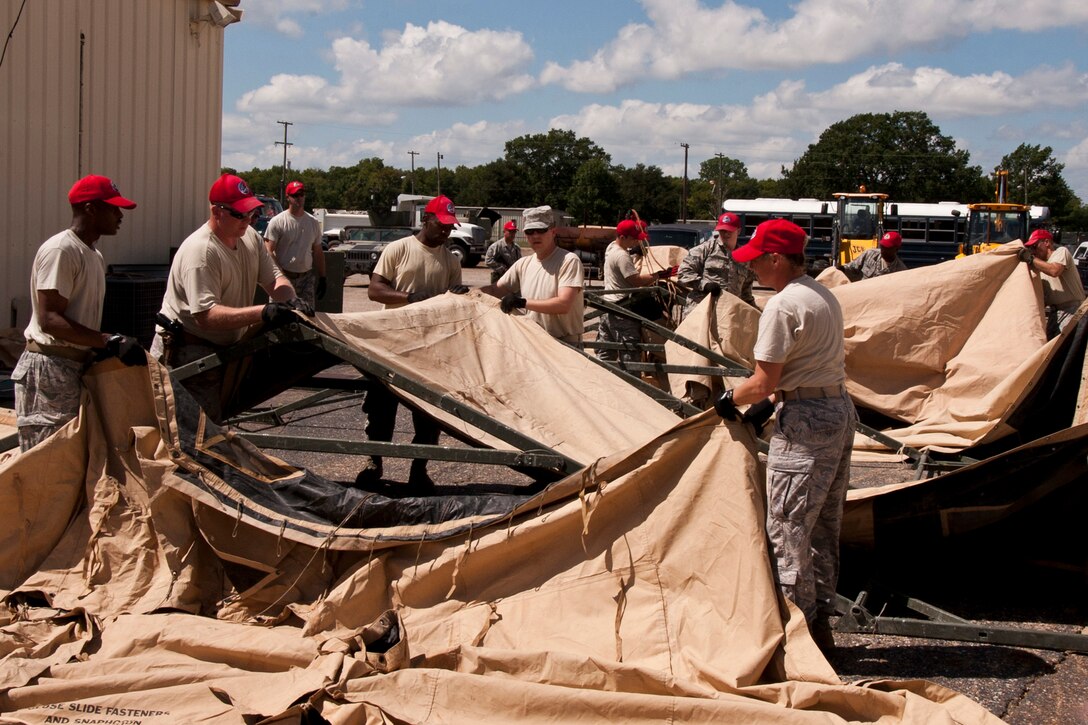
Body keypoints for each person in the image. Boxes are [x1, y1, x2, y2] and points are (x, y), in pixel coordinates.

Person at [713, 218, 856, 654]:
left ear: (777, 258)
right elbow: (803, 365)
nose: (752, 268)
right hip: (836, 409)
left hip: (806, 422)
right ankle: (821, 630)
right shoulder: (821, 294)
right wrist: (768, 403)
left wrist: (727, 400)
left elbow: (761, 380)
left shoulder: (781, 306)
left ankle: (797, 642)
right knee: (821, 529)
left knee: (787, 530)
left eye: (757, 260)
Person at [151, 173, 307, 422]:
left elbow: (274, 278)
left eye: (252, 214)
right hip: (188, 352)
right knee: (197, 434)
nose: (247, 220)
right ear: (217, 211)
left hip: (223, 348)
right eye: (239, 214)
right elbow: (206, 316)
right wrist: (264, 312)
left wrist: (290, 299)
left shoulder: (250, 238)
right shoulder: (201, 252)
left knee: (214, 428)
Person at [12, 175, 145, 451]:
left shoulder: (93, 254)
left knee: (74, 458)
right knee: (48, 459)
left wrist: (103, 346)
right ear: (90, 208)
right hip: (50, 367)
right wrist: (107, 340)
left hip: (75, 364)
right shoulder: (62, 249)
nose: (119, 215)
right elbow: (50, 320)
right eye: (113, 208)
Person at [358, 195, 470, 489]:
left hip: (430, 348)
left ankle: (419, 469)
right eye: (441, 224)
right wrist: (409, 297)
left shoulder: (450, 260)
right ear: (426, 219)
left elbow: (455, 307)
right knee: (382, 409)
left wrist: (458, 295)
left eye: (450, 226)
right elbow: (375, 290)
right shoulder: (399, 249)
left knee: (428, 415)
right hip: (392, 343)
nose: (446, 231)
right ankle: (374, 461)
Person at [482, 206, 584, 343]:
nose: (535, 236)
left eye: (541, 230)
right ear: (525, 235)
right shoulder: (523, 264)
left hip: (564, 345)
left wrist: (522, 302)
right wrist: (470, 292)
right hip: (534, 342)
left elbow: (563, 304)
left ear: (553, 231)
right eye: (530, 231)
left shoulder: (568, 261)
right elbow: (495, 290)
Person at [595, 219, 677, 363]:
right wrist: (659, 275)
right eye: (633, 239)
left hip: (608, 308)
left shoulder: (611, 248)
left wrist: (632, 251)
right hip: (622, 310)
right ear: (623, 237)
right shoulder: (622, 256)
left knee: (606, 355)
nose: (635, 242)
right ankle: (631, 383)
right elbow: (636, 280)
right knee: (630, 357)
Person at [677, 211, 756, 315]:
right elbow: (683, 273)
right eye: (722, 230)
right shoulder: (704, 250)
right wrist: (704, 285)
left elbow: (746, 292)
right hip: (702, 311)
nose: (726, 234)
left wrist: (753, 312)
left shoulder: (744, 257)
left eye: (729, 231)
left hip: (729, 314)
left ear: (739, 231)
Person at [264, 180, 326, 308]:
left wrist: (323, 277)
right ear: (288, 197)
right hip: (284, 276)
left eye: (301, 194)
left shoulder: (313, 222)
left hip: (306, 279)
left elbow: (318, 251)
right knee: (279, 317)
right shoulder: (278, 222)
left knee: (307, 319)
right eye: (295, 195)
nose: (299, 198)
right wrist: (279, 274)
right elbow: (268, 250)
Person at [1022, 229, 1086, 336]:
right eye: (1031, 248)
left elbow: (1054, 270)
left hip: (1072, 311)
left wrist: (1030, 259)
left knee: (1065, 347)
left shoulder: (1061, 252)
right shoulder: (1041, 268)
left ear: (1046, 242)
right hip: (1055, 311)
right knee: (1051, 348)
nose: (1033, 251)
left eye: (1035, 246)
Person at [841, 231, 908, 282]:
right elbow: (851, 268)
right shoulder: (870, 254)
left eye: (887, 248)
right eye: (882, 246)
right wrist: (841, 269)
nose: (883, 250)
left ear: (896, 249)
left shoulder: (900, 271)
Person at [485, 220, 522, 284]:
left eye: (514, 232)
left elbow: (520, 262)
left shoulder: (516, 248)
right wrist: (503, 269)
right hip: (499, 278)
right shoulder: (496, 246)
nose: (512, 234)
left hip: (512, 279)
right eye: (510, 231)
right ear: (504, 231)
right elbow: (488, 261)